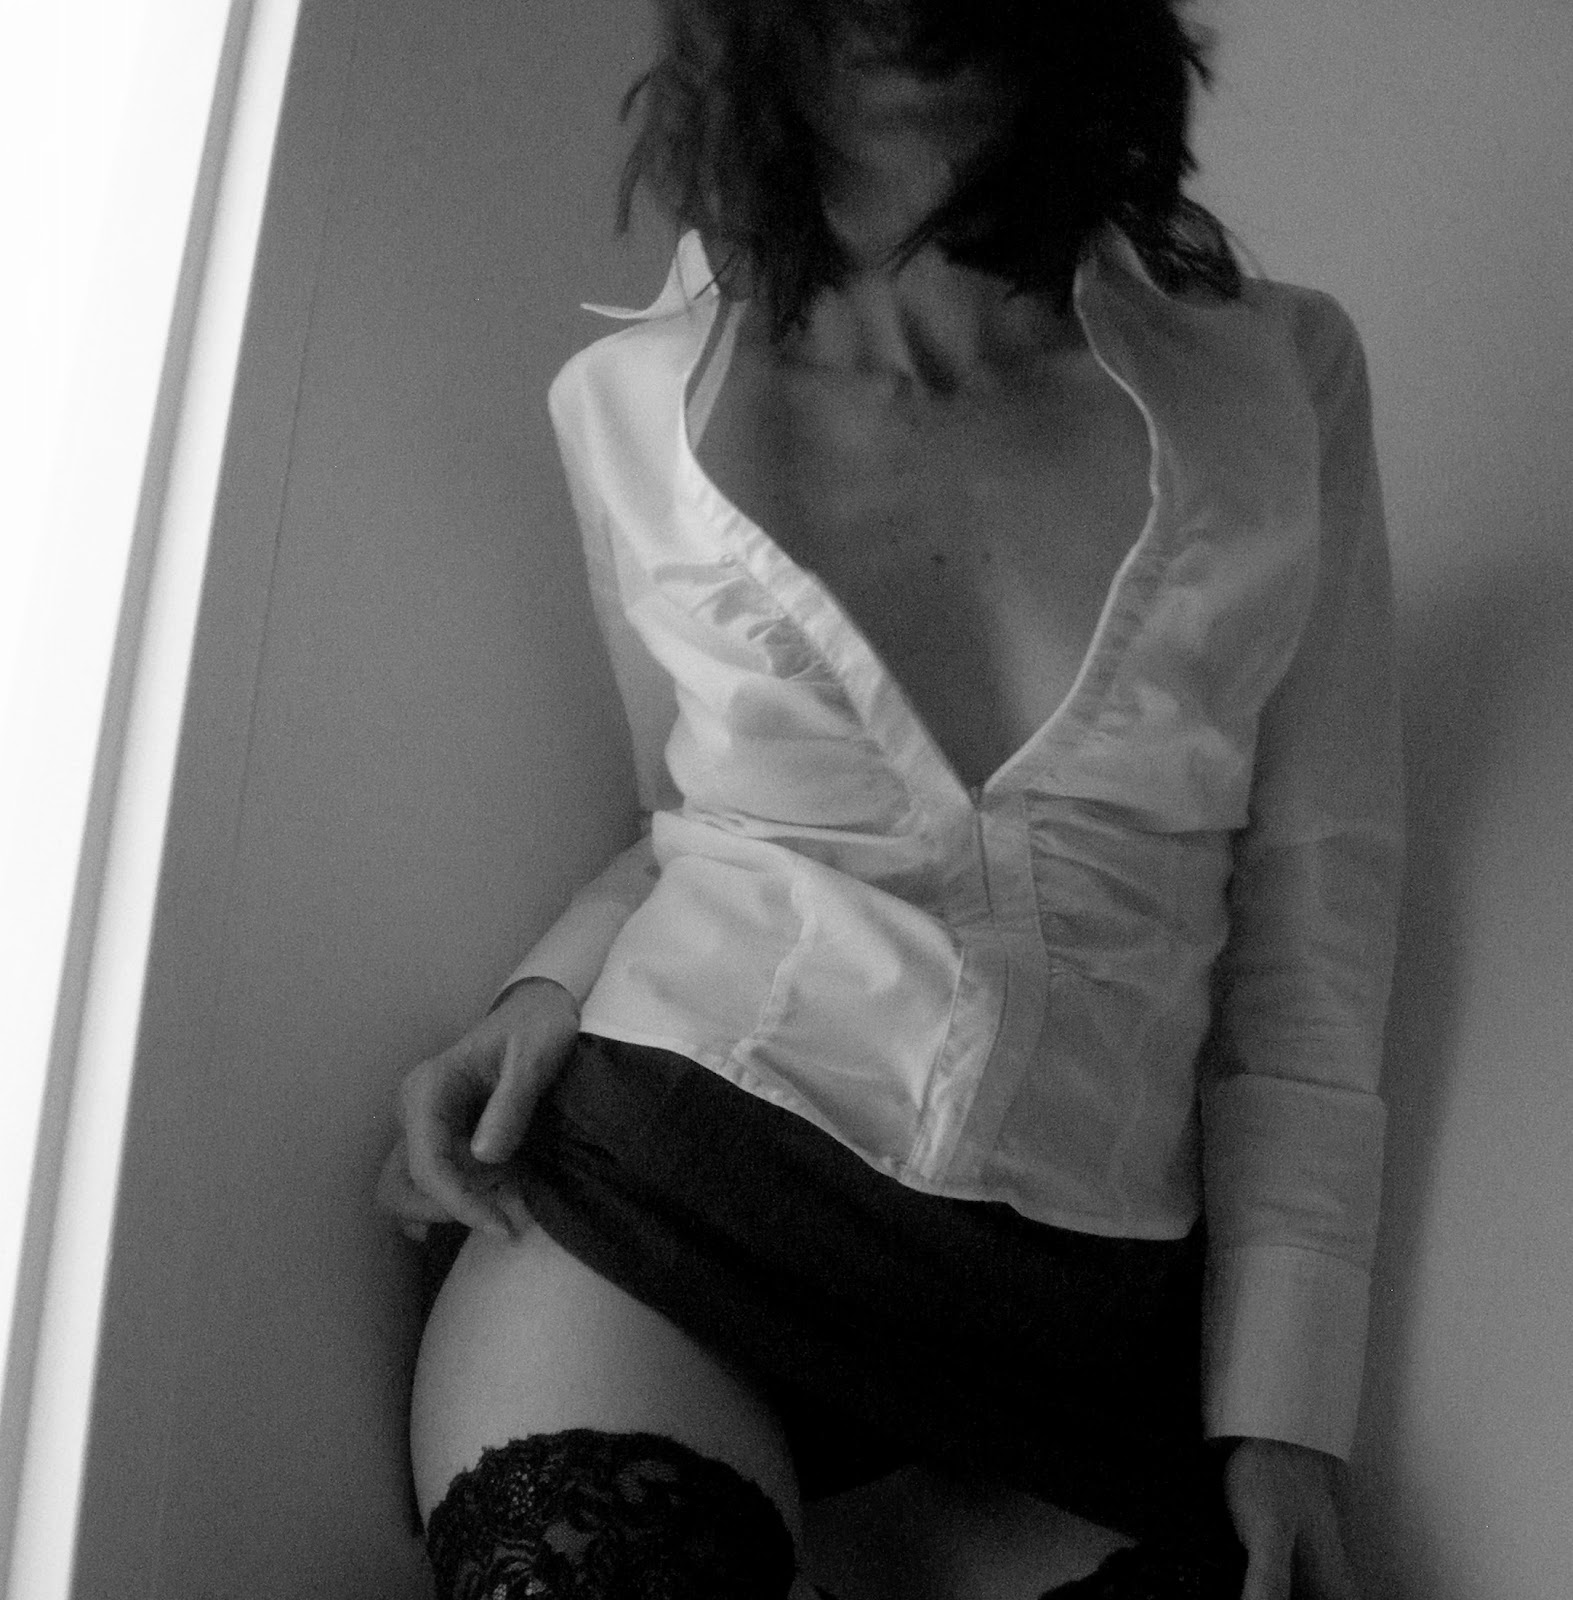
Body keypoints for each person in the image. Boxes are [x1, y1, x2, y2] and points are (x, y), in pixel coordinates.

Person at [375, 2, 1402, 1596]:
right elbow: (692, 822)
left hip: (1077, 1317)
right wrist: (545, 988)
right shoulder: (625, 404)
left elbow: (1316, 898)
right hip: (670, 1196)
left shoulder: (1278, 379)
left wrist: (1283, 1404)